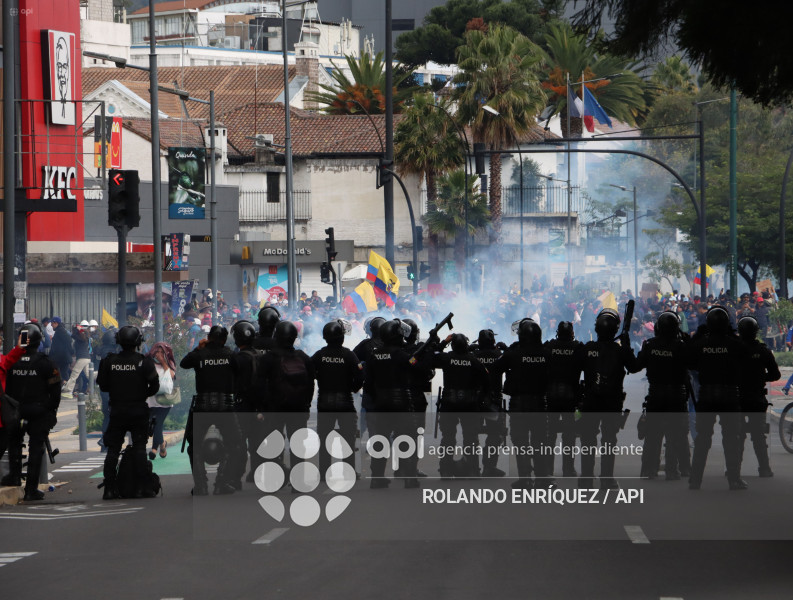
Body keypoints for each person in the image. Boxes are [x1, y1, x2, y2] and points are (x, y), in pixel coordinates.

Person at [688, 306, 749, 490]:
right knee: (731, 439)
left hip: (706, 394)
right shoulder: (734, 344)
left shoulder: (701, 344)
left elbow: (690, 362)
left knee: (702, 439)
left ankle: (695, 480)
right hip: (730, 394)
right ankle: (733, 479)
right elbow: (746, 361)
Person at [577, 308, 639, 490]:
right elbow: (634, 367)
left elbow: (574, 368)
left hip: (590, 402)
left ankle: (586, 479)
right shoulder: (620, 351)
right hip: (612, 402)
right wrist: (626, 346)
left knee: (588, 440)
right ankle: (606, 478)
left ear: (596, 328)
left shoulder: (587, 349)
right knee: (609, 440)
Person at [180, 325, 245, 496]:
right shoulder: (230, 355)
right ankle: (222, 483)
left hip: (203, 406)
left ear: (209, 338)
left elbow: (184, 363)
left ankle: (201, 486)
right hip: (225, 405)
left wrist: (199, 348)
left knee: (194, 446)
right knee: (235, 444)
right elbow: (241, 371)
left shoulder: (200, 354)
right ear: (224, 339)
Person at [97, 326, 159, 500]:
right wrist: (141, 394)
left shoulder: (109, 361)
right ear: (138, 342)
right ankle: (142, 488)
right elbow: (155, 386)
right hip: (138, 409)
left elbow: (103, 385)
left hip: (117, 410)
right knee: (140, 448)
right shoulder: (143, 361)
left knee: (113, 450)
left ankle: (109, 489)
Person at [494, 319, 550, 490]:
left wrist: (509, 351)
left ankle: (525, 478)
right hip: (540, 403)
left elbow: (495, 369)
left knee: (521, 442)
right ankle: (542, 478)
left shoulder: (513, 354)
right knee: (540, 441)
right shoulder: (547, 353)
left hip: (519, 404)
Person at [635, 311, 691, 480]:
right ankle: (673, 470)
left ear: (657, 328)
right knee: (676, 434)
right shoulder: (681, 346)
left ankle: (649, 470)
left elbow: (635, 366)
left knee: (653, 435)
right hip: (677, 396)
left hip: (656, 395)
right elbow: (694, 364)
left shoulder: (650, 345)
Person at [364, 319, 419, 489]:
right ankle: (410, 477)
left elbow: (368, 382)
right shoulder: (401, 355)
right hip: (401, 403)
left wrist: (375, 400)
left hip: (381, 403)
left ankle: (377, 477)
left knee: (380, 441)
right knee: (408, 439)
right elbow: (417, 368)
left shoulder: (374, 355)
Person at [259, 321, 315, 484]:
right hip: (298, 408)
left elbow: (260, 384)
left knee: (273, 444)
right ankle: (299, 481)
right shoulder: (303, 357)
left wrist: (263, 407)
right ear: (294, 338)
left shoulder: (268, 358)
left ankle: (274, 480)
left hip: (275, 408)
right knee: (298, 445)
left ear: (276, 337)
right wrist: (306, 405)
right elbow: (310, 383)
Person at [431, 333, 490, 478]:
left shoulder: (447, 358)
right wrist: (480, 400)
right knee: (471, 438)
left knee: (448, 438)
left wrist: (443, 342)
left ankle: (445, 470)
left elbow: (432, 355)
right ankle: (473, 470)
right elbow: (487, 382)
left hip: (449, 403)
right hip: (470, 404)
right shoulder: (474, 361)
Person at [312, 319, 364, 478]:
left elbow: (309, 373)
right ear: (342, 337)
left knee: (324, 438)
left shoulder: (319, 355)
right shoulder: (349, 355)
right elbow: (360, 375)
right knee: (348, 439)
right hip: (345, 401)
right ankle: (348, 472)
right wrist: (354, 388)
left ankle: (323, 472)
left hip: (324, 401)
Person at [736, 315, 780, 477]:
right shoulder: (763, 351)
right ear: (756, 332)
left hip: (738, 398)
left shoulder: (734, 350)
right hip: (756, 398)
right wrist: (760, 378)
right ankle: (764, 468)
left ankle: (734, 470)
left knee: (737, 436)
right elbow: (775, 375)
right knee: (759, 436)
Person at [544, 321, 583, 478]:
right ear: (572, 333)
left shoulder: (549, 346)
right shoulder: (578, 348)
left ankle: (548, 469)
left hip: (551, 396)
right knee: (569, 434)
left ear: (558, 333)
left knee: (549, 434)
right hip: (570, 397)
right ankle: (568, 469)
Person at [229, 320, 263, 483]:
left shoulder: (236, 359)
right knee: (257, 441)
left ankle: (236, 476)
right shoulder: (262, 357)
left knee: (238, 442)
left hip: (242, 405)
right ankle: (256, 473)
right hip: (260, 405)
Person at [472, 329, 507, 478]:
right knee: (495, 434)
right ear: (493, 342)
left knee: (471, 434)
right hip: (493, 401)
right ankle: (489, 467)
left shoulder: (473, 356)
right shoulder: (499, 356)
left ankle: (472, 468)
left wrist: (469, 348)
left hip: (475, 400)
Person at [0, 335, 28, 486]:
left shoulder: (2, 360)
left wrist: (20, 347)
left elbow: (9, 359)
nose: (1, 339)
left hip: (2, 414)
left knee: (4, 440)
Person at [145, 342, 177, 461]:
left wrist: (163, 362)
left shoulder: (169, 364)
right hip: (151, 400)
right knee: (152, 425)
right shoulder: (149, 364)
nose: (158, 354)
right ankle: (162, 445)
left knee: (157, 424)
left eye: (162, 352)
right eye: (157, 352)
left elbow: (172, 375)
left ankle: (154, 449)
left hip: (164, 402)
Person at [95, 328, 118, 452]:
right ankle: (106, 441)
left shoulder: (103, 354)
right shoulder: (114, 355)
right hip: (112, 391)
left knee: (107, 417)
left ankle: (105, 442)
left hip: (105, 391)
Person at [61, 321, 91, 400]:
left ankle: (68, 391)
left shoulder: (82, 337)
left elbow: (74, 336)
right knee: (89, 374)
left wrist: (78, 329)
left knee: (74, 375)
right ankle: (101, 373)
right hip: (86, 358)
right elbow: (74, 336)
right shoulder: (83, 337)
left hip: (82, 358)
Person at [49, 317, 73, 386]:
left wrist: (68, 352)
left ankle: (66, 388)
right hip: (61, 358)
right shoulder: (59, 331)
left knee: (61, 374)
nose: (51, 325)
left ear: (56, 323)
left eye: (52, 323)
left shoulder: (60, 331)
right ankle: (62, 387)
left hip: (61, 358)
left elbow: (69, 340)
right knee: (60, 374)